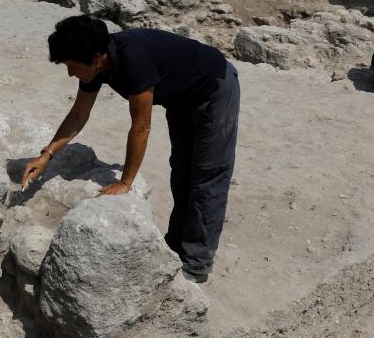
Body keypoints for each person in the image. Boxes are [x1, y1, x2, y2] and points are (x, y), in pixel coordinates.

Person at [21, 15, 240, 284]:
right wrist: (47, 154)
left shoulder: (134, 60)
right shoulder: (96, 64)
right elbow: (79, 114)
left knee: (208, 178)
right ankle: (175, 246)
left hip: (213, 88)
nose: (70, 73)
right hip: (180, 97)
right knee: (182, 172)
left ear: (97, 57)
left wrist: (126, 182)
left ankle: (195, 266)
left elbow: (141, 126)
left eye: (73, 66)